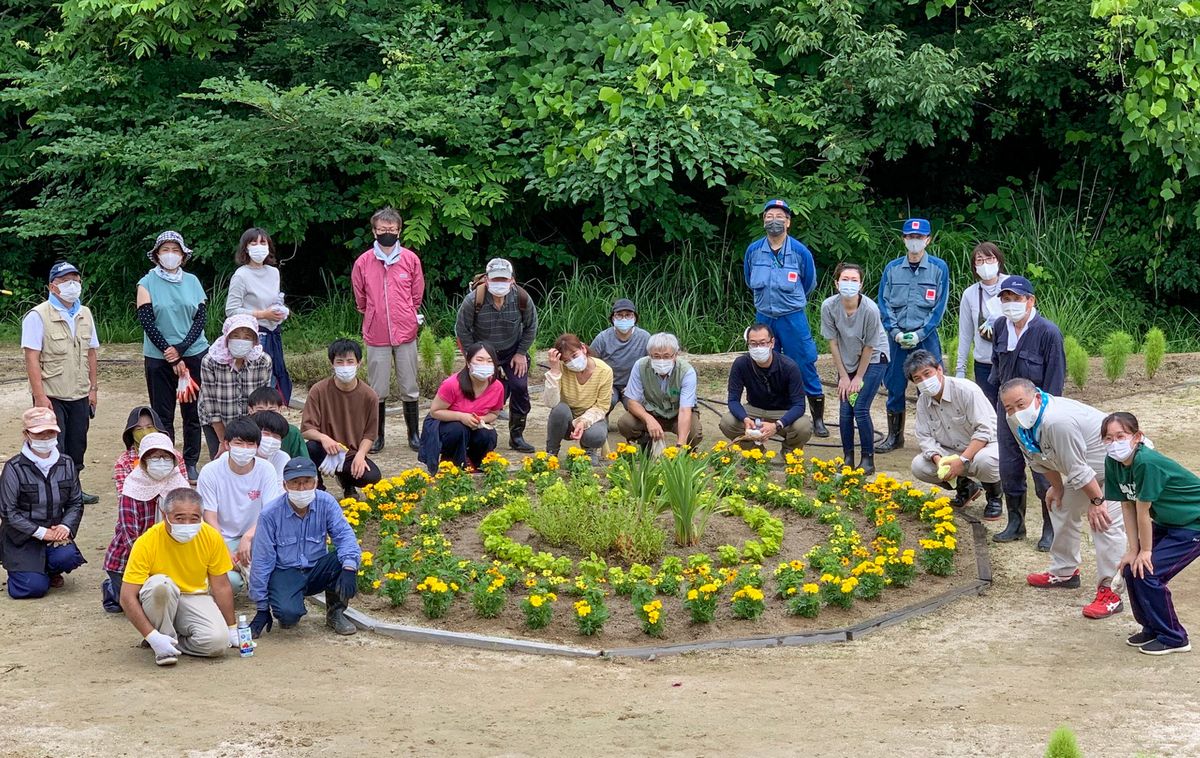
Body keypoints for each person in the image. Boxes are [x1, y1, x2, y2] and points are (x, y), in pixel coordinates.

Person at [999, 379, 1125, 619]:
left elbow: (1077, 468)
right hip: (1093, 471)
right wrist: (1056, 487)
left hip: (1122, 468)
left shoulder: (1057, 421)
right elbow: (1036, 457)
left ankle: (1112, 592)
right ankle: (1065, 572)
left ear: (1036, 397)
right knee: (1060, 504)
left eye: (1020, 404)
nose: (1015, 412)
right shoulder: (1014, 422)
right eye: (1009, 408)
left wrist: (1097, 503)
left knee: (1104, 523)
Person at [1104, 413, 1200, 655]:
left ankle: (1174, 637)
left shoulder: (1147, 462)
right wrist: (1132, 550)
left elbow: (1142, 509)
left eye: (1120, 436)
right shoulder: (1113, 462)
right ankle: (1151, 627)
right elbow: (1127, 505)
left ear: (1137, 437)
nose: (1114, 443)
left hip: (1193, 523)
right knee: (1131, 568)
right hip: (1169, 522)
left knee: (1148, 572)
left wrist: (1145, 551)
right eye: (1108, 438)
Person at [119, 487, 237, 666]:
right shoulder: (146, 542)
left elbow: (221, 586)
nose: (187, 524)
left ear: (202, 515)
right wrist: (150, 635)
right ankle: (159, 641)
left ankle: (171, 642)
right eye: (179, 518)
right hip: (160, 597)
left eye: (194, 518)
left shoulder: (211, 536)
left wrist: (232, 628)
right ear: (164, 514)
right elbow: (127, 596)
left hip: (195, 596)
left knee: (218, 643)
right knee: (160, 585)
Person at [990, 275, 1066, 550]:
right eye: (1005, 299)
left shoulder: (1048, 332)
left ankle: (1051, 527)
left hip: (1038, 413)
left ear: (1030, 300)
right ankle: (1015, 523)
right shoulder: (1000, 326)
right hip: (1006, 410)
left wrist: (1047, 417)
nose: (1011, 305)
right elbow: (996, 367)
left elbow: (1055, 380)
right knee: (1009, 466)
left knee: (1043, 469)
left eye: (1016, 299)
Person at [248, 458, 362, 638]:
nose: (302, 489)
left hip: (317, 568)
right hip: (285, 571)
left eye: (307, 482)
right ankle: (288, 605)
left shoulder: (327, 503)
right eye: (295, 483)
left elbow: (345, 536)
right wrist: (261, 607)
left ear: (316, 483)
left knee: (346, 557)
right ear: (285, 485)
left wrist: (349, 568)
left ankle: (335, 612)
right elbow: (262, 561)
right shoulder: (270, 514)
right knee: (288, 616)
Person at [743, 199, 827, 437]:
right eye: (769, 216)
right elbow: (749, 279)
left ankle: (818, 419)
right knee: (762, 362)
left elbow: (809, 283)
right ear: (763, 221)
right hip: (764, 316)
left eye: (779, 216)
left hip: (792, 317)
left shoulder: (800, 252)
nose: (774, 221)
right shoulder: (753, 250)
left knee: (804, 362)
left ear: (788, 222)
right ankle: (767, 412)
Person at [22, 259, 100, 504]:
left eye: (75, 280)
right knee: (54, 443)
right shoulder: (37, 315)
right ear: (52, 286)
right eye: (65, 281)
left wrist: (93, 388)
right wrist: (40, 397)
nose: (72, 285)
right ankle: (56, 493)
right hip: (52, 393)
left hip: (79, 392)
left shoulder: (85, 313)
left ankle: (73, 489)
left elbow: (91, 352)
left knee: (78, 444)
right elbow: (32, 358)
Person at [136, 230, 209, 481]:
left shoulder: (193, 281)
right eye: (165, 250)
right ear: (157, 255)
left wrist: (181, 351)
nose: (170, 255)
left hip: (194, 352)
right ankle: (167, 459)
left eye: (175, 250)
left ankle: (190, 461)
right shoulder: (146, 283)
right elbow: (147, 320)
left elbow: (200, 319)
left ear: (183, 255)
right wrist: (171, 355)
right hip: (159, 357)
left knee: (193, 413)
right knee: (162, 413)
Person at [352, 207, 425, 453]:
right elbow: (359, 297)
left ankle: (414, 434)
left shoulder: (410, 259)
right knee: (377, 388)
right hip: (376, 333)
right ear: (374, 231)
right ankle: (377, 436)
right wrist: (372, 314)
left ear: (399, 230)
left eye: (391, 230)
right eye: (382, 230)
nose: (387, 234)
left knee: (409, 385)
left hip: (406, 332)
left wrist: (406, 313)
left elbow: (417, 295)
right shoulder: (363, 262)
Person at [875, 218, 951, 453]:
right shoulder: (892, 268)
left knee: (930, 387)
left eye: (919, 237)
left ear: (928, 239)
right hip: (897, 339)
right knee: (895, 386)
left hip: (925, 339)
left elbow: (939, 307)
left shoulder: (939, 268)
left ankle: (936, 439)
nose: (915, 241)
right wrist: (895, 332)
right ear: (904, 239)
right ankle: (894, 437)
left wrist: (920, 334)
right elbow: (884, 301)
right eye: (910, 237)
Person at [0, 408, 88, 599]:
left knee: (68, 558)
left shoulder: (66, 463)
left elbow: (75, 502)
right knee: (32, 589)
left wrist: (65, 526)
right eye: (39, 433)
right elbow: (8, 512)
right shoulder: (13, 468)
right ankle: (27, 571)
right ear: (26, 434)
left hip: (55, 534)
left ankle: (48, 570)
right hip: (21, 539)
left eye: (51, 432)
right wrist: (41, 532)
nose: (46, 437)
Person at [904, 350, 1003, 517]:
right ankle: (965, 487)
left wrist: (963, 460)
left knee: (985, 461)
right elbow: (924, 437)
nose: (925, 381)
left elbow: (984, 431)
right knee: (919, 466)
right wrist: (938, 459)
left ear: (939, 370)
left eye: (927, 374)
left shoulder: (966, 390)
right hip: (950, 451)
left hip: (983, 447)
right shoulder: (923, 401)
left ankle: (994, 496)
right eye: (918, 379)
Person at [454, 258, 538, 453]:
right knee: (476, 389)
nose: (499, 283)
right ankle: (473, 432)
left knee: (520, 387)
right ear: (487, 280)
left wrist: (521, 353)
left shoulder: (522, 298)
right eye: (495, 279)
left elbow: (531, 326)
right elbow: (462, 329)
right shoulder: (473, 300)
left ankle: (516, 436)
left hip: (512, 350)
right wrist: (472, 355)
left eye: (504, 279)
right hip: (483, 350)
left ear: (512, 281)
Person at [102, 433, 190, 613]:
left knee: (175, 603)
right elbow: (130, 538)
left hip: (170, 558)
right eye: (154, 457)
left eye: (166, 457)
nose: (161, 461)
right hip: (131, 560)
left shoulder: (180, 486)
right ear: (143, 461)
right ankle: (112, 588)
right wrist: (156, 568)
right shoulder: (132, 488)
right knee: (147, 606)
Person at [198, 416, 283, 594]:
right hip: (222, 537)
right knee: (231, 582)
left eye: (250, 444)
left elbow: (269, 512)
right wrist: (223, 548)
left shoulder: (266, 469)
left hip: (255, 535)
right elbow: (209, 517)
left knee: (270, 578)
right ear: (227, 444)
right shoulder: (210, 472)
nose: (245, 450)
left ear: (257, 447)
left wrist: (248, 537)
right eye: (239, 443)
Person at [820, 263, 889, 474]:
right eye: (845, 279)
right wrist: (843, 376)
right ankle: (847, 457)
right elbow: (832, 343)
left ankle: (868, 460)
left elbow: (870, 346)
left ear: (861, 284)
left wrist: (858, 377)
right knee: (844, 409)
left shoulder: (870, 310)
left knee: (859, 407)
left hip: (875, 358)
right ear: (836, 283)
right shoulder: (829, 307)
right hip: (847, 358)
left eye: (854, 280)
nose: (849, 284)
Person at [300, 339, 383, 497]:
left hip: (350, 454)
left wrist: (360, 455)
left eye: (350, 361)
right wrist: (324, 438)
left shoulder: (369, 396)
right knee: (309, 448)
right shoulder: (318, 390)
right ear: (332, 363)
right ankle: (319, 489)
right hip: (324, 449)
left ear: (359, 363)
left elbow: (370, 434)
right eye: (340, 361)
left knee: (373, 477)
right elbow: (306, 429)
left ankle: (347, 483)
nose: (345, 366)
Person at [718, 323, 812, 454]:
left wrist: (777, 425)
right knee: (727, 422)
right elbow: (733, 400)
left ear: (772, 343)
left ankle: (789, 452)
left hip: (783, 411)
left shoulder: (789, 367)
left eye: (762, 343)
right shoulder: (740, 364)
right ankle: (754, 452)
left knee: (804, 426)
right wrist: (745, 419)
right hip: (753, 409)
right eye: (753, 344)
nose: (758, 348)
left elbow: (799, 405)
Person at [226, 227, 293, 404]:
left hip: (273, 333)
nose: (258, 246)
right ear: (245, 248)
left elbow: (274, 300)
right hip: (253, 336)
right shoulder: (241, 275)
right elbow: (231, 310)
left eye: (262, 242)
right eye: (253, 242)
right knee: (255, 386)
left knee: (272, 383)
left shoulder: (274, 272)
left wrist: (280, 311)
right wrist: (262, 314)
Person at [198, 314, 273, 459]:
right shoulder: (210, 361)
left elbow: (264, 401)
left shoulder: (263, 361)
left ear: (254, 340)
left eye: (247, 337)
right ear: (227, 337)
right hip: (216, 422)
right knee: (222, 462)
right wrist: (223, 441)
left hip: (251, 424)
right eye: (236, 336)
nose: (241, 341)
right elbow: (210, 404)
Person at [424, 342, 505, 471]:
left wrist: (481, 419)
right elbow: (435, 412)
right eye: (480, 360)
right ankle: (450, 464)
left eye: (490, 361)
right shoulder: (452, 384)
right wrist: (462, 417)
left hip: (475, 425)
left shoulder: (497, 387)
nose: (485, 364)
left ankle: (477, 465)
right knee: (458, 429)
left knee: (488, 434)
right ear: (468, 363)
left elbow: (494, 413)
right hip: (444, 424)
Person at [618, 332, 703, 448]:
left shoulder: (687, 371)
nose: (661, 360)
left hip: (677, 413)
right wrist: (649, 419)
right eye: (656, 356)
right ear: (649, 354)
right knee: (626, 423)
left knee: (694, 433)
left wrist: (680, 445)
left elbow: (685, 410)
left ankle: (687, 451)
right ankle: (647, 442)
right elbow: (632, 402)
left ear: (675, 355)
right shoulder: (640, 366)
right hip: (651, 411)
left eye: (667, 356)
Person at [955, 242, 1010, 408]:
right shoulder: (970, 294)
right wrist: (960, 369)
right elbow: (965, 334)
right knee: (988, 410)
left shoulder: (1012, 285)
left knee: (1012, 408)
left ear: (998, 260)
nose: (985, 263)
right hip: (984, 364)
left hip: (1010, 360)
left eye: (990, 258)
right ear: (974, 265)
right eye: (980, 260)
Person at [544, 334, 613, 459]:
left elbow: (602, 407)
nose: (572, 362)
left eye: (574, 355)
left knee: (596, 435)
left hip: (591, 418)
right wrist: (554, 372)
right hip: (567, 418)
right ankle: (551, 451)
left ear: (583, 348)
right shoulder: (560, 368)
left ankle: (590, 450)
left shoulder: (605, 371)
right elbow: (551, 403)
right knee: (559, 410)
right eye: (566, 360)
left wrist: (582, 422)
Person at [590, 298, 651, 410]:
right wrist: (602, 385)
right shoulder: (602, 338)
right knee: (606, 402)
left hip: (634, 384)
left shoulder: (645, 337)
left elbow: (651, 366)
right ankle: (601, 422)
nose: (624, 319)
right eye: (619, 315)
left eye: (628, 315)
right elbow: (591, 362)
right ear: (613, 318)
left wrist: (637, 386)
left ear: (634, 318)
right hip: (608, 383)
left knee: (637, 406)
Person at [114, 405, 183, 502]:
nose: (145, 432)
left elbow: (185, 493)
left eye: (150, 427)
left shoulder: (175, 456)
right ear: (131, 433)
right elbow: (124, 498)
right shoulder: (124, 462)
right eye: (138, 429)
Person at [247, 386, 309, 460]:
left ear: (280, 409)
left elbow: (303, 462)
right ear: (250, 410)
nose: (266, 415)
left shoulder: (292, 432)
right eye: (260, 411)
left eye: (272, 410)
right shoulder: (244, 431)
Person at [251, 410, 292, 479]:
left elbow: (280, 486)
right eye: (266, 434)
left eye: (276, 437)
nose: (271, 440)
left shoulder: (282, 458)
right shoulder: (241, 454)